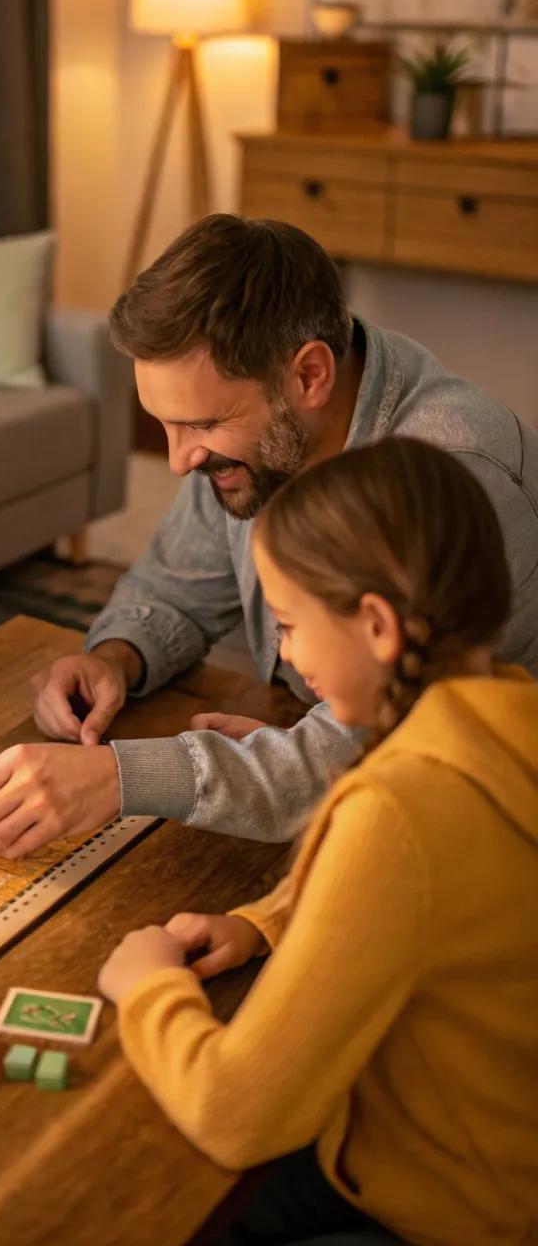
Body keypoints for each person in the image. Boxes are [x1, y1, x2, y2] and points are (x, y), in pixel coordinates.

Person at [0, 215, 538, 858]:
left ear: (309, 375)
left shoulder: (453, 482)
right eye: (164, 426)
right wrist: (115, 657)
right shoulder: (269, 433)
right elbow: (175, 584)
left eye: (200, 424)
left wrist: (120, 779)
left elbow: (370, 751)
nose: (176, 463)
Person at [97, 437, 538, 1246]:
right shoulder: (504, 713)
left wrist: (149, 987)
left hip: (450, 1211)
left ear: (375, 624)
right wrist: (268, 920)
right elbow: (428, 904)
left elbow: (236, 1115)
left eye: (292, 623)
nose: (288, 656)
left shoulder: (395, 810)